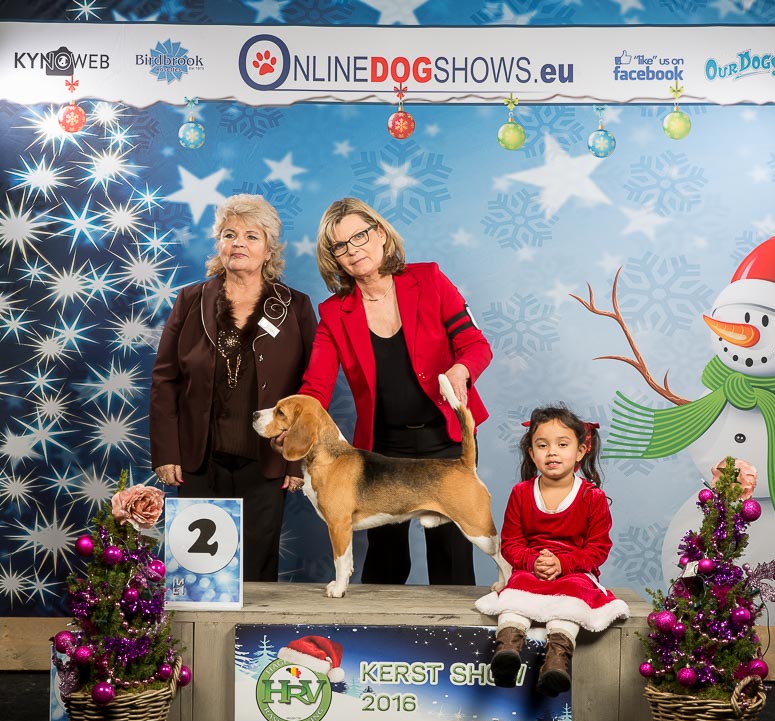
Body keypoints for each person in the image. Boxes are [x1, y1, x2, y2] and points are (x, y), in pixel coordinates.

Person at [298, 197, 493, 585]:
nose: (353, 250)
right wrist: (291, 423)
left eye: (360, 236)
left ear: (381, 234)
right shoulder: (333, 313)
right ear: (333, 257)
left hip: (445, 439)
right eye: (340, 246)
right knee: (385, 561)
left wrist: (462, 368)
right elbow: (315, 387)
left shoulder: (430, 279)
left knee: (453, 561)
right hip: (382, 450)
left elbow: (476, 344)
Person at [149, 194, 318, 581]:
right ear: (219, 244)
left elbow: (311, 389)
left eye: (251, 236)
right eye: (229, 234)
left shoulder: (296, 306)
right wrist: (166, 451)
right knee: (197, 575)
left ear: (269, 249)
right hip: (197, 459)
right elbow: (165, 379)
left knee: (257, 573)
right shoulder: (190, 300)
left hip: (267, 461)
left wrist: (296, 458)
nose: (238, 243)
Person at [475, 405, 630, 693]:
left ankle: (557, 662)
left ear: (581, 451)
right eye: (542, 445)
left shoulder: (592, 496)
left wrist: (563, 563)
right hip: (531, 569)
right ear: (531, 452)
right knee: (516, 590)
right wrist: (533, 561)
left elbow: (598, 549)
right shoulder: (521, 493)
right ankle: (507, 651)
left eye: (562, 444)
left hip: (574, 572)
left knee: (571, 599)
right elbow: (511, 543)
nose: (552, 453)